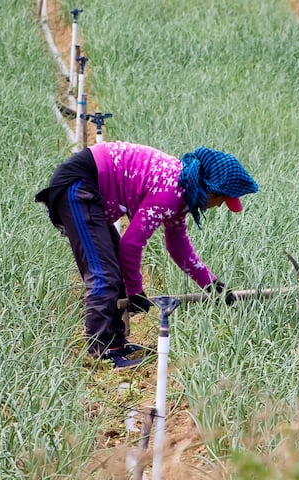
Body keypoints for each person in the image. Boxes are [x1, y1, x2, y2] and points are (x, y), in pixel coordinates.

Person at [36, 141, 259, 368]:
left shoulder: (182, 192)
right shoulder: (171, 192)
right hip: (79, 185)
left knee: (114, 270)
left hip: (89, 186)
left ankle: (115, 344)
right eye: (222, 199)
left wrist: (212, 285)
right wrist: (135, 290)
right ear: (210, 189)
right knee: (103, 273)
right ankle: (100, 353)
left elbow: (178, 247)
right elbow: (131, 244)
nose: (220, 206)